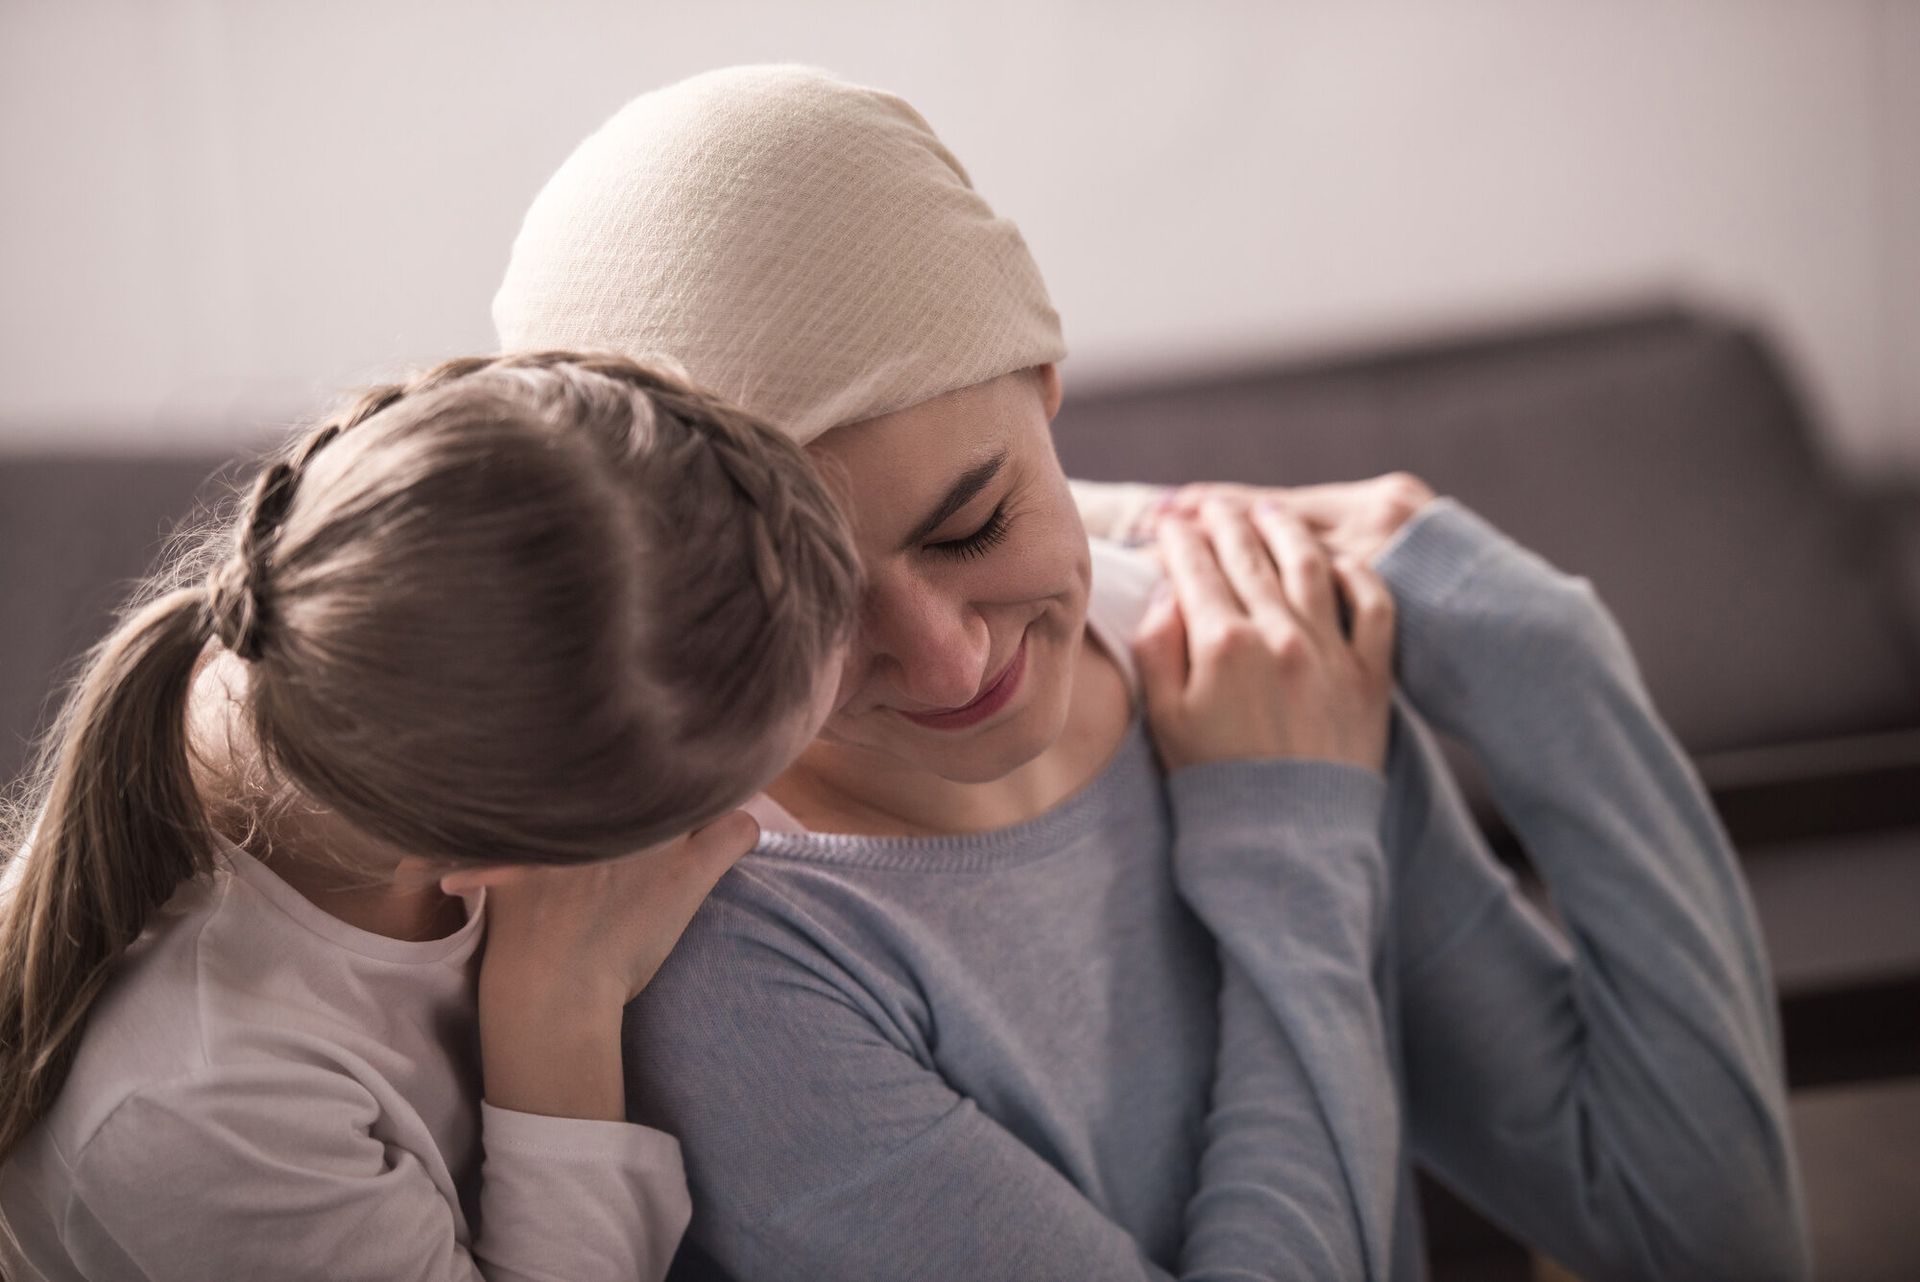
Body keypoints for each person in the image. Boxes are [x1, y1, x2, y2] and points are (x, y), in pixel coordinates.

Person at [495, 66, 1811, 1282]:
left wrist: (1534, 639)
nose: (950, 658)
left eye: (974, 523)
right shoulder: (741, 952)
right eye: (810, 610)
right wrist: (1290, 838)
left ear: (1048, 379)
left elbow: (1696, 1229)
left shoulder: (1255, 665)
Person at [0, 352, 861, 1281]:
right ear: (513, 848)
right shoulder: (200, 1106)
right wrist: (558, 1004)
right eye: (709, 807)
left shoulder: (377, 678)